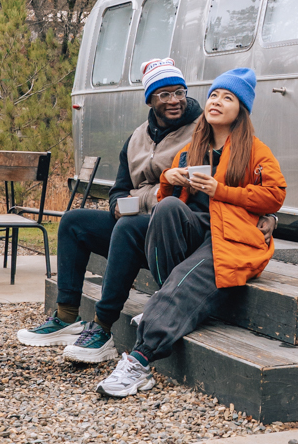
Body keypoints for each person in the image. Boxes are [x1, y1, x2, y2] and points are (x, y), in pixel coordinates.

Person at [96, 67, 286, 397]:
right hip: (196, 229)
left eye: (228, 98)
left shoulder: (256, 150)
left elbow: (275, 195)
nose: (217, 101)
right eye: (214, 94)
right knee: (165, 211)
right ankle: (164, 304)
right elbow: (166, 203)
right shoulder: (191, 150)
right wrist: (170, 180)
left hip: (232, 238)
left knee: (188, 277)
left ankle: (140, 361)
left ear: (241, 110)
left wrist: (220, 190)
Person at [16, 58, 201, 360]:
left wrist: (140, 200)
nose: (175, 100)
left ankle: (102, 330)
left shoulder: (201, 132)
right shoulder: (137, 138)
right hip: (136, 225)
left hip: (174, 232)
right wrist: (117, 205)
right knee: (74, 222)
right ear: (150, 99)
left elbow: (182, 192)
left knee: (127, 228)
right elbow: (118, 188)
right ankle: (66, 317)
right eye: (164, 94)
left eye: (179, 92)